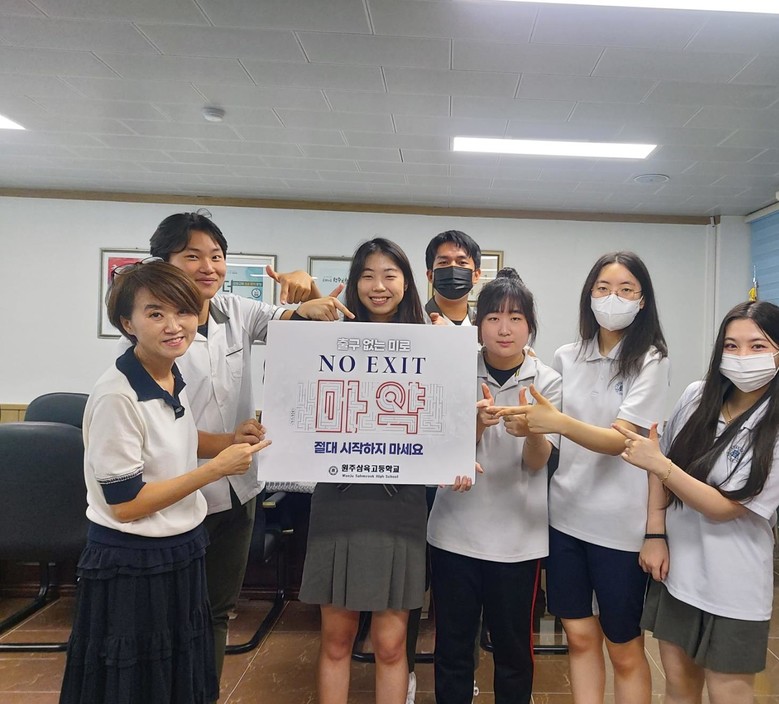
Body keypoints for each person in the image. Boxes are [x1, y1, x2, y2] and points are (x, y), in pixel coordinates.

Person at [144, 211, 351, 686]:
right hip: (178, 492)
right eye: (192, 256)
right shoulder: (152, 329)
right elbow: (158, 428)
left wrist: (308, 291)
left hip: (238, 491)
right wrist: (226, 444)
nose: (208, 267)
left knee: (218, 611)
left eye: (216, 256)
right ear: (163, 262)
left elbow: (303, 323)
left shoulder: (236, 310)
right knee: (169, 615)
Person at [59, 260, 270, 704]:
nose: (174, 326)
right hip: (133, 559)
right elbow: (126, 504)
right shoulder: (118, 395)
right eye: (155, 313)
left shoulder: (169, 373)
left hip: (180, 546)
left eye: (184, 312)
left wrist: (230, 440)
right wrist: (215, 469)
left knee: (177, 674)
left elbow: (182, 438)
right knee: (136, 683)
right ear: (128, 323)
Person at [299, 237, 474, 704]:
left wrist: (456, 455)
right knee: (337, 639)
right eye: (368, 276)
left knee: (392, 644)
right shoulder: (325, 338)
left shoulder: (434, 339)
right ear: (355, 283)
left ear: (407, 283)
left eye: (389, 275)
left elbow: (449, 414)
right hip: (338, 499)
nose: (379, 286)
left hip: (400, 505)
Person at [497, 251, 670, 704]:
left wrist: (556, 422)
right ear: (589, 296)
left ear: (643, 301)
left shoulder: (651, 360)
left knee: (624, 646)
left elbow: (621, 441)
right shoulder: (566, 356)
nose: (613, 298)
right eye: (603, 288)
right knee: (578, 635)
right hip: (564, 518)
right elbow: (547, 425)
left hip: (620, 526)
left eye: (626, 290)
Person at [616, 300, 779, 704]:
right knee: (678, 687)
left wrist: (661, 465)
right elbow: (660, 460)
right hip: (679, 572)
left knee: (729, 693)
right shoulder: (696, 397)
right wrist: (655, 533)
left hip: (735, 584)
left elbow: (723, 507)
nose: (742, 356)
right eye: (732, 345)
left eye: (758, 346)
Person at [427, 268, 561, 704]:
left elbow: (539, 462)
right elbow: (437, 451)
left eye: (516, 318)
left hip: (518, 541)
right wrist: (478, 426)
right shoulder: (454, 369)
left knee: (514, 652)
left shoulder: (547, 381)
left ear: (530, 326)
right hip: (454, 532)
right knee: (452, 648)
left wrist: (533, 432)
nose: (505, 329)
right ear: (478, 323)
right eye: (494, 318)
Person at [423, 229, 481, 326]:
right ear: (430, 275)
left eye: (462, 262)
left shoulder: (483, 326)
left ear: (476, 275)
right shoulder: (414, 321)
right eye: (443, 262)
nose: (453, 267)